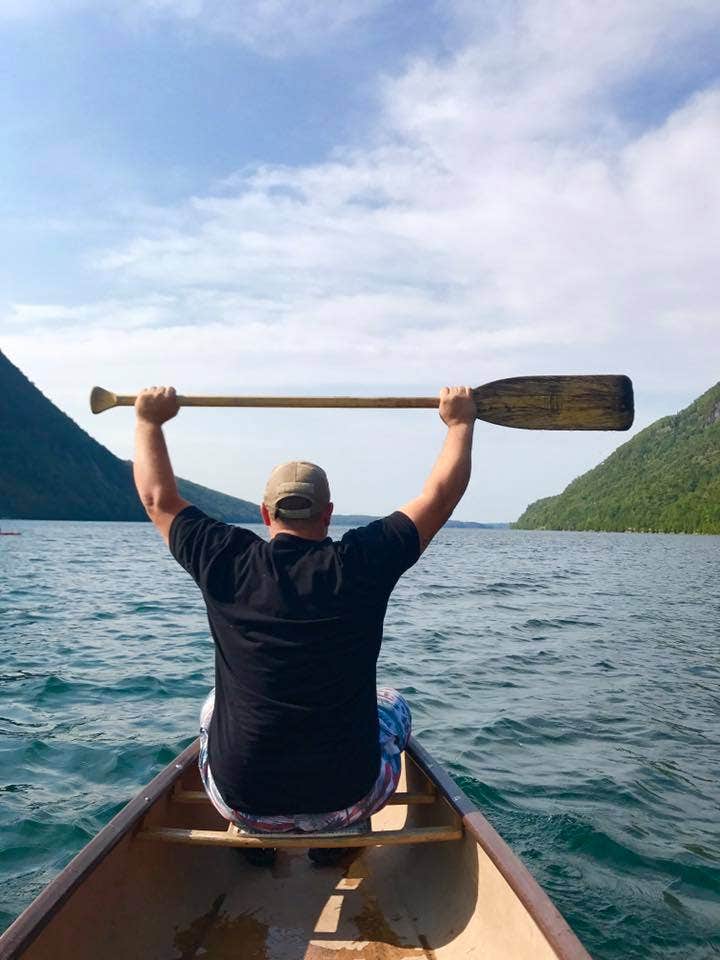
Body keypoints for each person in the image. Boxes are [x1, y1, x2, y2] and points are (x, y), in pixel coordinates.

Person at [133, 384, 476, 864]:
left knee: (213, 706)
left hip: (242, 799)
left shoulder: (224, 558)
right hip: (348, 796)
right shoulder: (363, 561)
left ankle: (255, 843)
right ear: (328, 514)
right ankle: (339, 843)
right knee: (393, 704)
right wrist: (460, 424)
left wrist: (148, 421)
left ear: (264, 514)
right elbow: (439, 499)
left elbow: (158, 499)